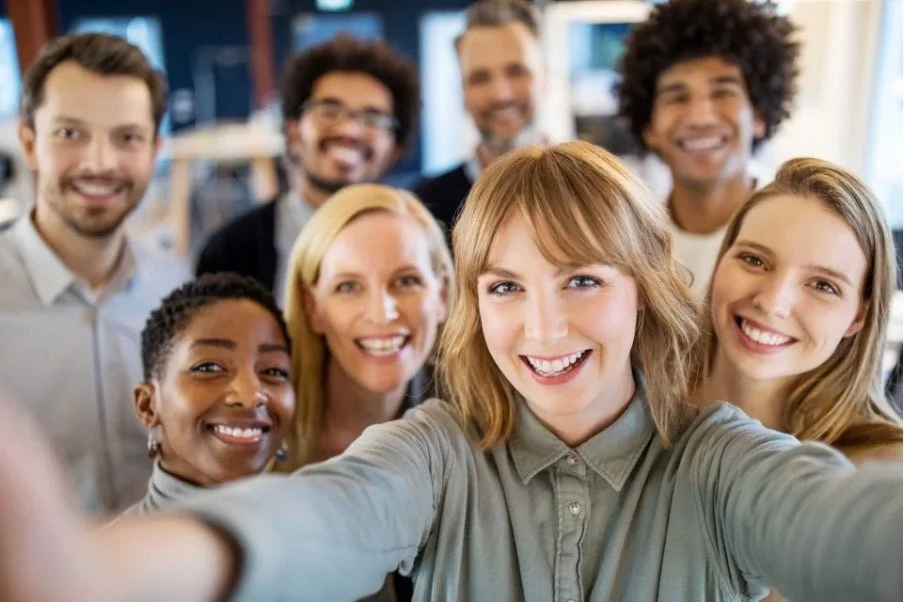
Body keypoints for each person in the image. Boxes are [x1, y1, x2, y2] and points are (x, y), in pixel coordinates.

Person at [0, 141, 900, 602]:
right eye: (506, 285)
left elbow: (839, 522)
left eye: (581, 278)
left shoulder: (722, 463)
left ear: (646, 292)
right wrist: (94, 571)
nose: (541, 326)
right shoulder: (436, 452)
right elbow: (323, 515)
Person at [0, 33, 189, 514]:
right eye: (70, 133)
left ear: (154, 149)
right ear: (29, 143)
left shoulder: (179, 290)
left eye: (127, 137)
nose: (100, 163)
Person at [280, 183, 452, 601]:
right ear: (311, 306)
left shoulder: (474, 438)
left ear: (442, 294)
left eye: (406, 281)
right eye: (349, 287)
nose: (382, 312)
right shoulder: (262, 440)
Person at [692, 157, 902, 465]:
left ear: (859, 317)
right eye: (754, 260)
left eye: (823, 285)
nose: (772, 303)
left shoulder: (883, 470)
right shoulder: (634, 399)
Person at [196, 35, 420, 300]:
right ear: (293, 132)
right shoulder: (229, 253)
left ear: (396, 149)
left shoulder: (423, 246)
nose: (348, 129)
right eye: (329, 110)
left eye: (372, 118)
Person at [618, 0, 800, 295]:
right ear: (649, 128)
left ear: (759, 116)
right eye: (676, 97)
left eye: (723, 92)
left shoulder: (798, 232)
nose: (701, 117)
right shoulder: (629, 243)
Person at [124, 273, 295, 515]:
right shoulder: (100, 552)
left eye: (273, 370)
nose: (250, 396)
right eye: (208, 368)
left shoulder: (327, 540)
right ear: (148, 406)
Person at [414, 0, 545, 237]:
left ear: (545, 77)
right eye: (480, 78)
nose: (501, 95)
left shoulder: (594, 191)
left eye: (516, 71)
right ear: (462, 91)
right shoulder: (425, 208)